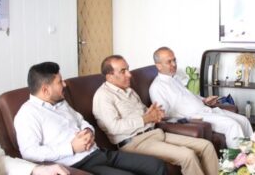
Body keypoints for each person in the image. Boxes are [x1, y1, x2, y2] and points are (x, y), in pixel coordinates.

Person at [14, 62, 167, 175]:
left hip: (99, 153)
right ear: (45, 90)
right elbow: (29, 152)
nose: (64, 84)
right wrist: (71, 147)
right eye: (59, 82)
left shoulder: (60, 102)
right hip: (79, 164)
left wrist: (88, 130)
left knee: (156, 165)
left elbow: (81, 120)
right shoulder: (27, 115)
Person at [92, 55, 218, 175]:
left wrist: (154, 113)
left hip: (154, 133)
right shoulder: (103, 96)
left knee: (206, 146)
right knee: (187, 155)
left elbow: (144, 112)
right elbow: (113, 127)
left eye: (128, 69)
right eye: (123, 71)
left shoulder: (129, 91)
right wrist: (145, 119)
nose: (129, 74)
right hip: (134, 143)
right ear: (109, 76)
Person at [149, 47, 253, 148]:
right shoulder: (156, 87)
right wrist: (187, 120)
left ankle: (253, 152)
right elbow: (164, 116)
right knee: (233, 125)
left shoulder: (175, 78)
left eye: (174, 60)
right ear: (159, 66)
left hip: (206, 109)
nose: (174, 64)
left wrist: (204, 100)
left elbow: (188, 96)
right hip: (195, 118)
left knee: (244, 120)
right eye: (169, 62)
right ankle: (240, 158)